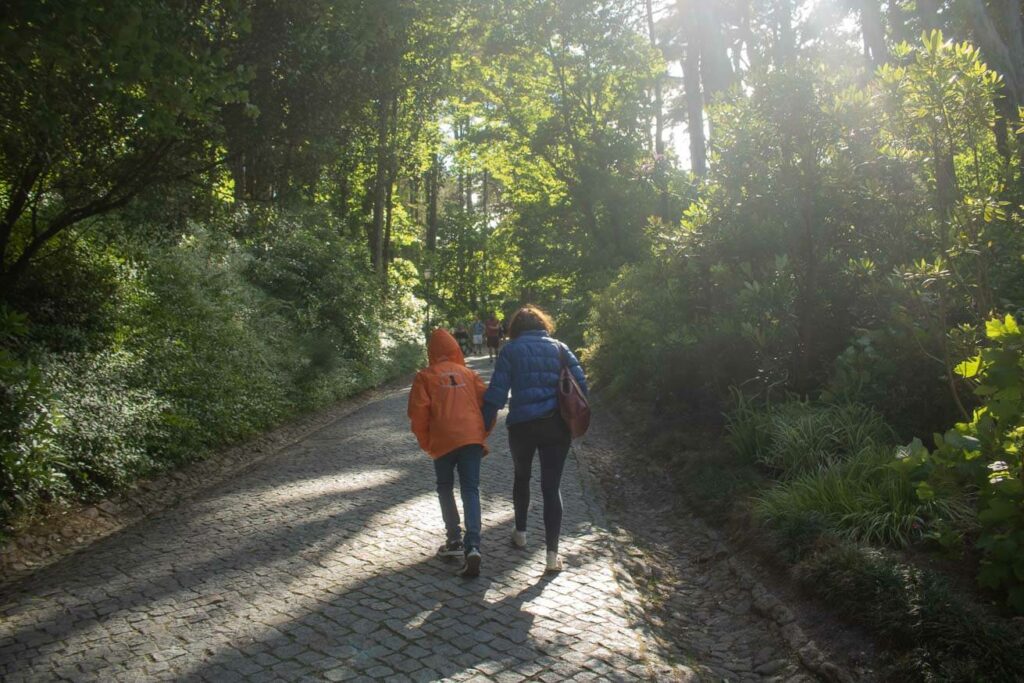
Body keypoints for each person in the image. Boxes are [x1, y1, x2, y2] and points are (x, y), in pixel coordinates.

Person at [482, 305, 588, 573]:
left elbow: (496, 393)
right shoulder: (560, 348)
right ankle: (552, 556)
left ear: (516, 327)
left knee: (521, 477)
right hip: (556, 425)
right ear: (543, 324)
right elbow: (581, 384)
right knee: (552, 488)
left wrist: (482, 425)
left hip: (522, 426)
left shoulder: (510, 350)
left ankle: (521, 533)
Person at [408, 329, 490, 577]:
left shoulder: (425, 377)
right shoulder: (470, 374)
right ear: (456, 349)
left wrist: (427, 443)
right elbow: (488, 405)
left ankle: (453, 539)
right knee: (471, 489)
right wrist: (481, 433)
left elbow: (418, 415)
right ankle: (473, 545)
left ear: (431, 352)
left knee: (445, 487)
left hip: (443, 440)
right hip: (471, 439)